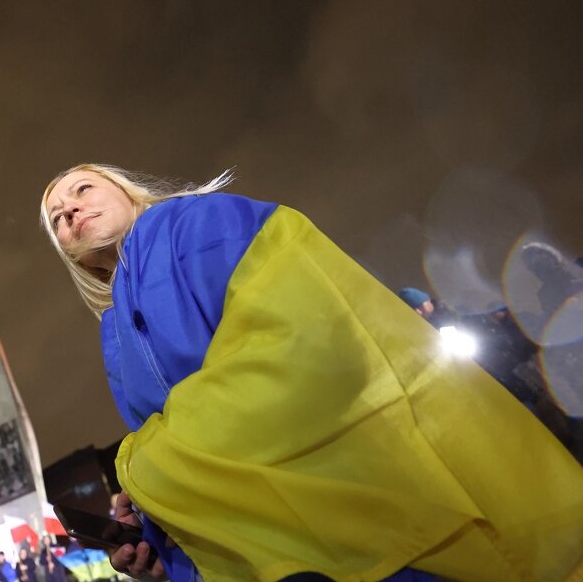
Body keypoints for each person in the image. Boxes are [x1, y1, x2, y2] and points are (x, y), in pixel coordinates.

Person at [40, 164, 583, 581]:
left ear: (125, 189)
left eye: (81, 189)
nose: (70, 211)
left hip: (376, 521)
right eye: (58, 217)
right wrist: (158, 538)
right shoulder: (114, 334)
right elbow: (200, 456)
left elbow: (299, 344)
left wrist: (145, 468)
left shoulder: (200, 222)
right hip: (285, 554)